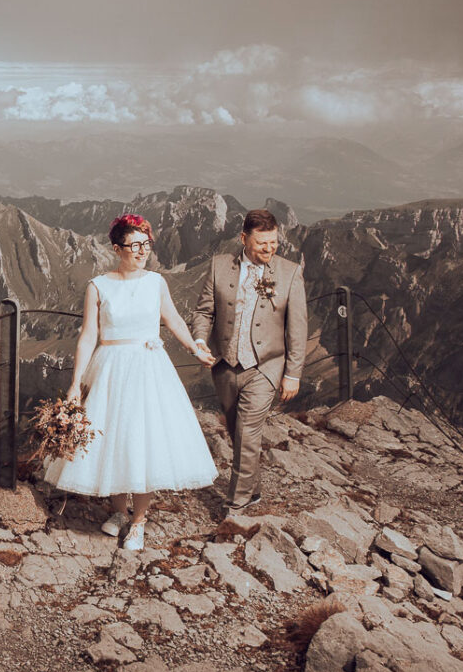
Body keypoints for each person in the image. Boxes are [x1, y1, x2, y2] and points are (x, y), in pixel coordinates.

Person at [44, 213, 219, 551]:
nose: (142, 252)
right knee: (112, 438)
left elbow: (173, 319)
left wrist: (194, 346)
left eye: (145, 244)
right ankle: (119, 512)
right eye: (134, 245)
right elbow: (88, 335)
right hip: (110, 367)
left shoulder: (156, 282)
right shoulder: (98, 286)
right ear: (116, 248)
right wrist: (75, 382)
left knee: (143, 440)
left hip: (147, 369)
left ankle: (139, 521)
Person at [190, 208, 307, 513]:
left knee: (246, 430)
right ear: (244, 239)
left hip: (265, 368)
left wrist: (292, 374)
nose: (269, 249)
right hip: (225, 367)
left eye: (274, 243)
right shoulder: (219, 266)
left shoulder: (290, 273)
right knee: (235, 430)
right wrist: (200, 340)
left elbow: (298, 328)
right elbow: (204, 312)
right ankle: (252, 488)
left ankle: (236, 504)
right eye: (262, 243)